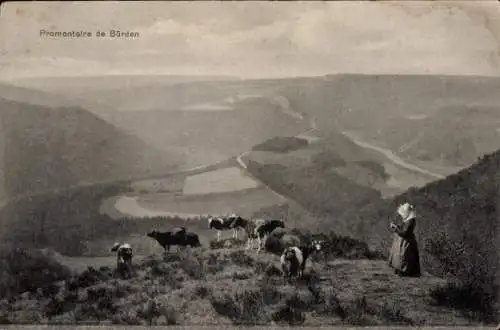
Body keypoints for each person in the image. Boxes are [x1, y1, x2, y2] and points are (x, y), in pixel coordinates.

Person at [388, 202, 421, 277]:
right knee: (402, 256)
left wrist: (395, 229)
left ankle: (405, 271)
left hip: (407, 242)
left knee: (404, 256)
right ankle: (401, 270)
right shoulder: (408, 220)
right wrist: (397, 226)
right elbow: (404, 229)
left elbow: (405, 233)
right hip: (406, 240)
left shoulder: (410, 221)